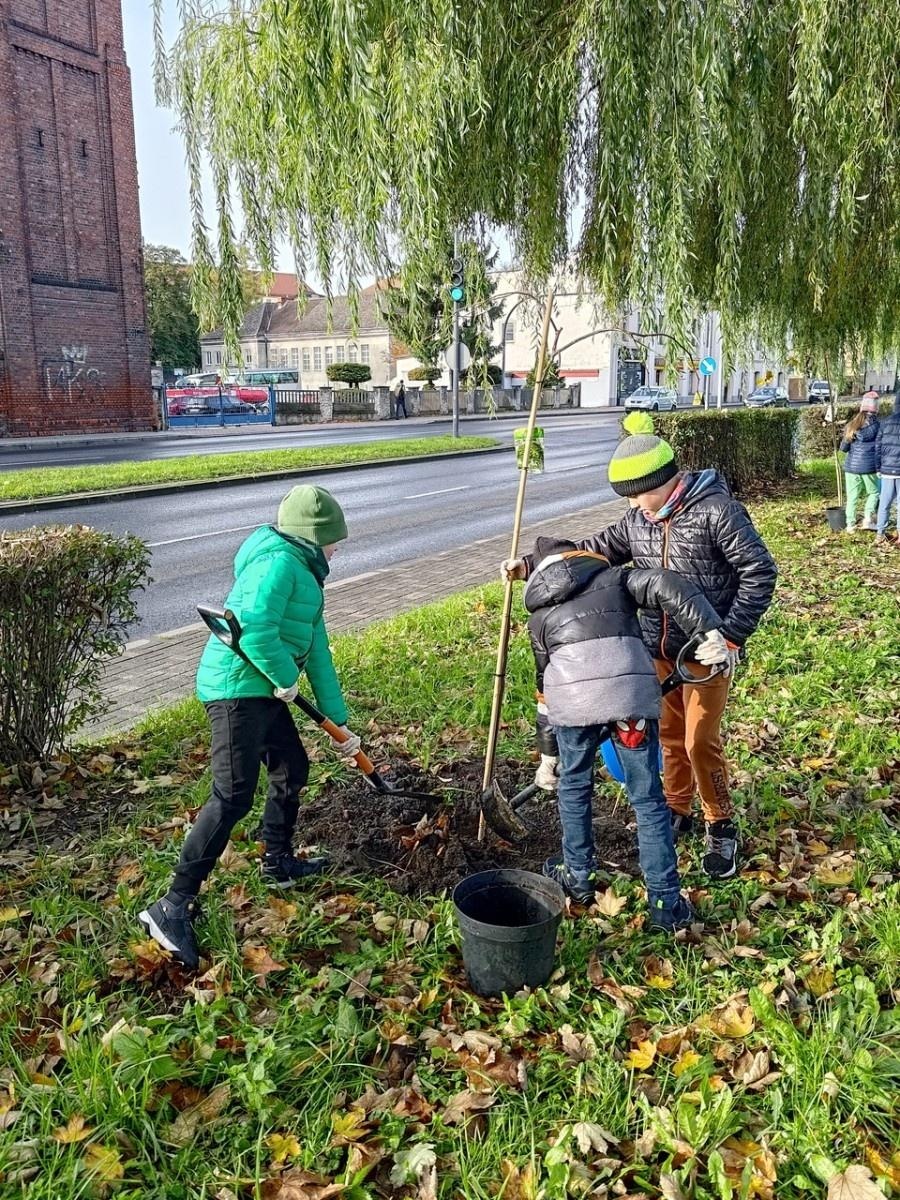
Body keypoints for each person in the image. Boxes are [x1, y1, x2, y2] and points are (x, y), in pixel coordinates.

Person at [504, 412, 777, 880]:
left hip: (707, 648)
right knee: (667, 737)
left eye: (638, 493)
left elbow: (760, 571)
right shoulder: (638, 521)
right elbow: (590, 552)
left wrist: (730, 635)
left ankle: (721, 824)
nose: (633, 504)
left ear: (664, 481)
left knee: (699, 741)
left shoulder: (717, 512)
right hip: (655, 645)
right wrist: (533, 565)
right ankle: (677, 810)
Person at [139, 485, 361, 969]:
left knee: (292, 766)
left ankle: (277, 861)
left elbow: (317, 649)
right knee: (233, 793)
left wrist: (339, 724)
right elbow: (254, 628)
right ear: (312, 536)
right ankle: (172, 905)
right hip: (236, 689)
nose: (337, 548)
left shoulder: (305, 573)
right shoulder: (278, 564)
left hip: (261, 687)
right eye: (332, 539)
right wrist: (285, 679)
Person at [524, 536, 728, 930]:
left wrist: (550, 755)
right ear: (582, 558)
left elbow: (544, 688)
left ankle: (578, 880)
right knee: (648, 798)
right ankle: (666, 904)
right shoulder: (617, 579)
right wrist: (708, 631)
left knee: (574, 787)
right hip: (630, 703)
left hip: (574, 709)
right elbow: (667, 584)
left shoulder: (539, 619)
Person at [841, 396, 881, 532]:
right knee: (874, 493)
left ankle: (850, 525)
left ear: (861, 408)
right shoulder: (879, 426)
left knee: (852, 496)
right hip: (870, 467)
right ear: (876, 410)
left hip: (851, 467)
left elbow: (843, 448)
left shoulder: (851, 425)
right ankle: (868, 519)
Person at [875, 392, 900, 547]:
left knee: (884, 503)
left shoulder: (885, 422)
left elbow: (878, 447)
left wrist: (878, 467)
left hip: (887, 470)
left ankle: (880, 534)